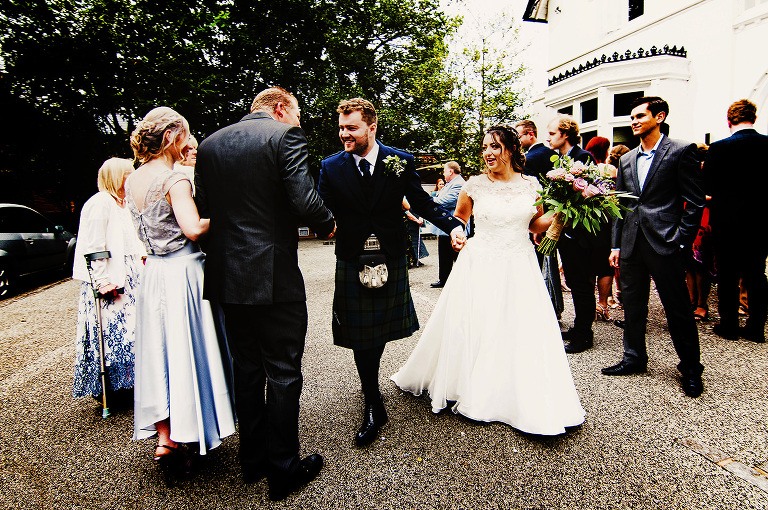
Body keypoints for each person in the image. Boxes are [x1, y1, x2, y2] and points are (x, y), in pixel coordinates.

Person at [391, 125, 585, 435]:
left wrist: (567, 208)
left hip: (520, 263)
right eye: (484, 147)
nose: (488, 152)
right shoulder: (474, 186)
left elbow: (535, 224)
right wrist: (456, 235)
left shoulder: (531, 185)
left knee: (518, 326)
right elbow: (460, 220)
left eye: (494, 146)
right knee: (480, 324)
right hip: (480, 262)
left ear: (511, 150)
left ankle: (515, 392)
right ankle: (474, 385)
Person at [195, 87, 335, 499]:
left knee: (248, 369)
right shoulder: (283, 137)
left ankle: (252, 462)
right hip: (272, 275)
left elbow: (206, 204)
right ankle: (284, 471)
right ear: (279, 109)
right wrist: (329, 222)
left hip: (227, 276)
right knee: (284, 370)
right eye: (297, 114)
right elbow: (305, 199)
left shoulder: (210, 144)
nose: (298, 123)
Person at [318, 98, 463, 448]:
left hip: (391, 253)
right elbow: (319, 205)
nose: (344, 134)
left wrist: (454, 224)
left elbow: (422, 202)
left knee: (376, 327)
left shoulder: (398, 161)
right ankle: (372, 399)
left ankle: (370, 387)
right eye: (341, 127)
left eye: (351, 127)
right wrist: (323, 223)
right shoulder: (331, 166)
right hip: (353, 255)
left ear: (372, 126)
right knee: (360, 330)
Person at [125, 107, 236, 467]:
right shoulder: (173, 180)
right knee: (189, 350)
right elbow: (192, 228)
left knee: (160, 352)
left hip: (153, 272)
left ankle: (165, 437)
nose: (189, 142)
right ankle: (196, 427)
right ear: (173, 136)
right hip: (183, 271)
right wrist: (226, 212)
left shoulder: (133, 179)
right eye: (186, 135)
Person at [605, 96, 705, 398]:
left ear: (659, 117)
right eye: (631, 117)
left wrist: (681, 239)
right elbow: (622, 205)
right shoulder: (626, 159)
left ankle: (690, 369)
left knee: (677, 309)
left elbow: (695, 201)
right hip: (632, 243)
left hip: (666, 243)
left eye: (640, 116)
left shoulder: (680, 150)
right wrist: (616, 245)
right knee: (633, 306)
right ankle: (634, 358)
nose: (633, 121)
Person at [72, 158, 145, 401]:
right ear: (116, 177)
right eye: (128, 174)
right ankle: (112, 388)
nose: (132, 178)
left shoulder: (126, 204)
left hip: (132, 275)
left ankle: (131, 383)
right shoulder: (100, 202)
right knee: (115, 333)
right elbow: (94, 246)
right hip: (112, 277)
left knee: (133, 332)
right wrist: (101, 281)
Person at [704, 99, 768, 343]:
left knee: (727, 274)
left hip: (727, 221)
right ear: (754, 118)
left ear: (729, 119)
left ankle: (729, 324)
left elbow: (707, 186)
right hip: (762, 221)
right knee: (756, 274)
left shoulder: (719, 148)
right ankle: (755, 327)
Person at [546, 115, 598, 353]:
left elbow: (592, 193)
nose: (549, 137)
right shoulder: (559, 159)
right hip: (565, 232)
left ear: (565, 134)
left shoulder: (583, 157)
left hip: (580, 235)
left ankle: (585, 334)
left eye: (552, 133)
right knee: (573, 282)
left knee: (582, 284)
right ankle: (579, 327)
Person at [516, 119, 563, 317]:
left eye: (519, 136)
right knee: (550, 263)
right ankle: (555, 307)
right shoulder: (553, 155)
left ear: (530, 134)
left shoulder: (531, 158)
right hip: (557, 218)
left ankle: (545, 309)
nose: (517, 141)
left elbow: (529, 196)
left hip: (541, 219)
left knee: (539, 266)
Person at [584, 136, 616, 322]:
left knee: (588, 262)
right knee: (605, 266)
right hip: (605, 220)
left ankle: (589, 304)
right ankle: (602, 304)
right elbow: (612, 196)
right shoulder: (609, 169)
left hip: (587, 219)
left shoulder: (585, 167)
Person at [428, 161, 466, 288]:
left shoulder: (459, 184)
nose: (444, 174)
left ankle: (465, 279)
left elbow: (447, 201)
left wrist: (430, 200)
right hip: (445, 228)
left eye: (444, 171)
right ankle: (444, 279)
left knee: (458, 255)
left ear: (451, 171)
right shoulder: (451, 184)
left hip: (453, 226)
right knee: (444, 256)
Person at [403, 198, 428, 267]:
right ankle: (408, 260)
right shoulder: (403, 197)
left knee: (417, 240)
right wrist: (416, 220)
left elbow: (421, 208)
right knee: (409, 241)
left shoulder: (414, 196)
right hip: (408, 223)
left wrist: (421, 217)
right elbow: (406, 212)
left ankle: (416, 259)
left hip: (416, 222)